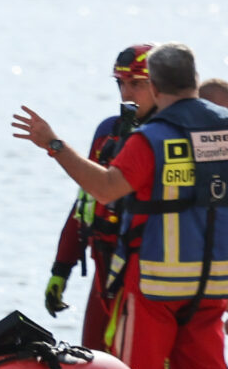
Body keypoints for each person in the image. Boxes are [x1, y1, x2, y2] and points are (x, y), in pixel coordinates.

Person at [14, 41, 228, 369]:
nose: (126, 96)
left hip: (154, 282)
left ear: (159, 85)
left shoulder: (152, 137)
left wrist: (54, 145)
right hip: (211, 286)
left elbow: (105, 189)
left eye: (133, 85)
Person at [44, 45, 155, 351]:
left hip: (149, 278)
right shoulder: (109, 132)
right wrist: (61, 269)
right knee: (94, 361)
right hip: (104, 272)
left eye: (137, 84)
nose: (126, 94)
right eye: (121, 83)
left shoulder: (167, 136)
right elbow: (85, 202)